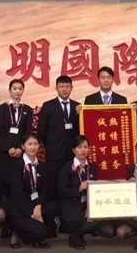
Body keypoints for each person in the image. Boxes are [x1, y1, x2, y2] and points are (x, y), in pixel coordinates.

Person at [57, 135, 114, 249]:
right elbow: (61, 191)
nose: (83, 150)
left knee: (109, 231)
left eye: (85, 147)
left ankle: (81, 231)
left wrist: (91, 207)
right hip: (71, 207)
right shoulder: (67, 167)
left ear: (89, 149)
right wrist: (78, 189)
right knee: (90, 220)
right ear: (74, 150)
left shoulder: (92, 168)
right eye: (79, 147)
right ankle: (75, 237)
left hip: (87, 206)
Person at [7, 134, 57, 249]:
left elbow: (44, 189)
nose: (33, 147)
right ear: (23, 146)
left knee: (52, 207)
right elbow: (17, 193)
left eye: (35, 144)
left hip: (35, 204)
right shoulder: (16, 165)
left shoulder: (42, 166)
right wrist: (32, 213)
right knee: (42, 231)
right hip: (20, 209)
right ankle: (17, 230)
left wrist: (38, 206)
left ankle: (35, 232)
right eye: (29, 144)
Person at [37, 75, 81, 203]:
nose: (64, 89)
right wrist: (51, 145)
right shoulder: (48, 106)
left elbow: (80, 130)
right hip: (54, 155)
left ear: (72, 88)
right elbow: (41, 129)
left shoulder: (77, 106)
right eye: (61, 87)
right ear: (56, 88)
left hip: (72, 154)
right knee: (53, 185)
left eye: (67, 86)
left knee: (71, 183)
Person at [0, 79, 33, 163]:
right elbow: (0, 128)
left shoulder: (27, 109)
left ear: (23, 90)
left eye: (20, 89)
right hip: (5, 149)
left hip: (21, 150)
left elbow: (28, 130)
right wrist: (9, 147)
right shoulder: (3, 108)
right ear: (10, 90)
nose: (17, 91)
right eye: (15, 88)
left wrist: (21, 148)